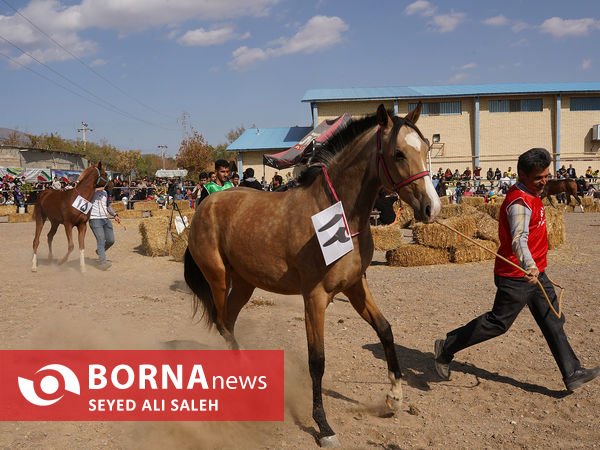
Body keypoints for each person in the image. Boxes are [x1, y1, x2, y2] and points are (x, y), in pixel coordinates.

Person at [434, 148, 600, 392]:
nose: (544, 181)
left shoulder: (533, 192)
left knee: (552, 320)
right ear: (522, 174)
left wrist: (537, 268)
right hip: (517, 276)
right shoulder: (519, 202)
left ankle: (572, 372)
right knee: (498, 323)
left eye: (546, 175)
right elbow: (518, 239)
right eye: (538, 178)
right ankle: (447, 347)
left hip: (537, 273)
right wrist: (530, 266)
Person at [89, 185, 121, 270]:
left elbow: (107, 206)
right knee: (101, 240)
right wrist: (96, 189)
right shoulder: (91, 191)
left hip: (105, 219)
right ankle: (103, 263)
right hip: (94, 219)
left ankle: (99, 251)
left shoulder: (105, 192)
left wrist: (115, 215)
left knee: (111, 240)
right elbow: (84, 193)